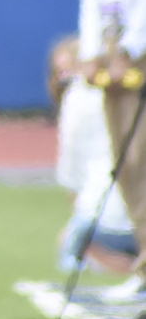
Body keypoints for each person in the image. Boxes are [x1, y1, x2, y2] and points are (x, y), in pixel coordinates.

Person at [59, 0, 146, 319]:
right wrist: (93, 51)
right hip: (114, 61)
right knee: (128, 166)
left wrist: (131, 48)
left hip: (138, 52)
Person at [50, 37, 138, 280]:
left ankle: (116, 263)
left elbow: (71, 175)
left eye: (68, 70)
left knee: (69, 238)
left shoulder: (78, 98)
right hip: (133, 221)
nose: (62, 79)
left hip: (106, 224)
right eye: (58, 72)